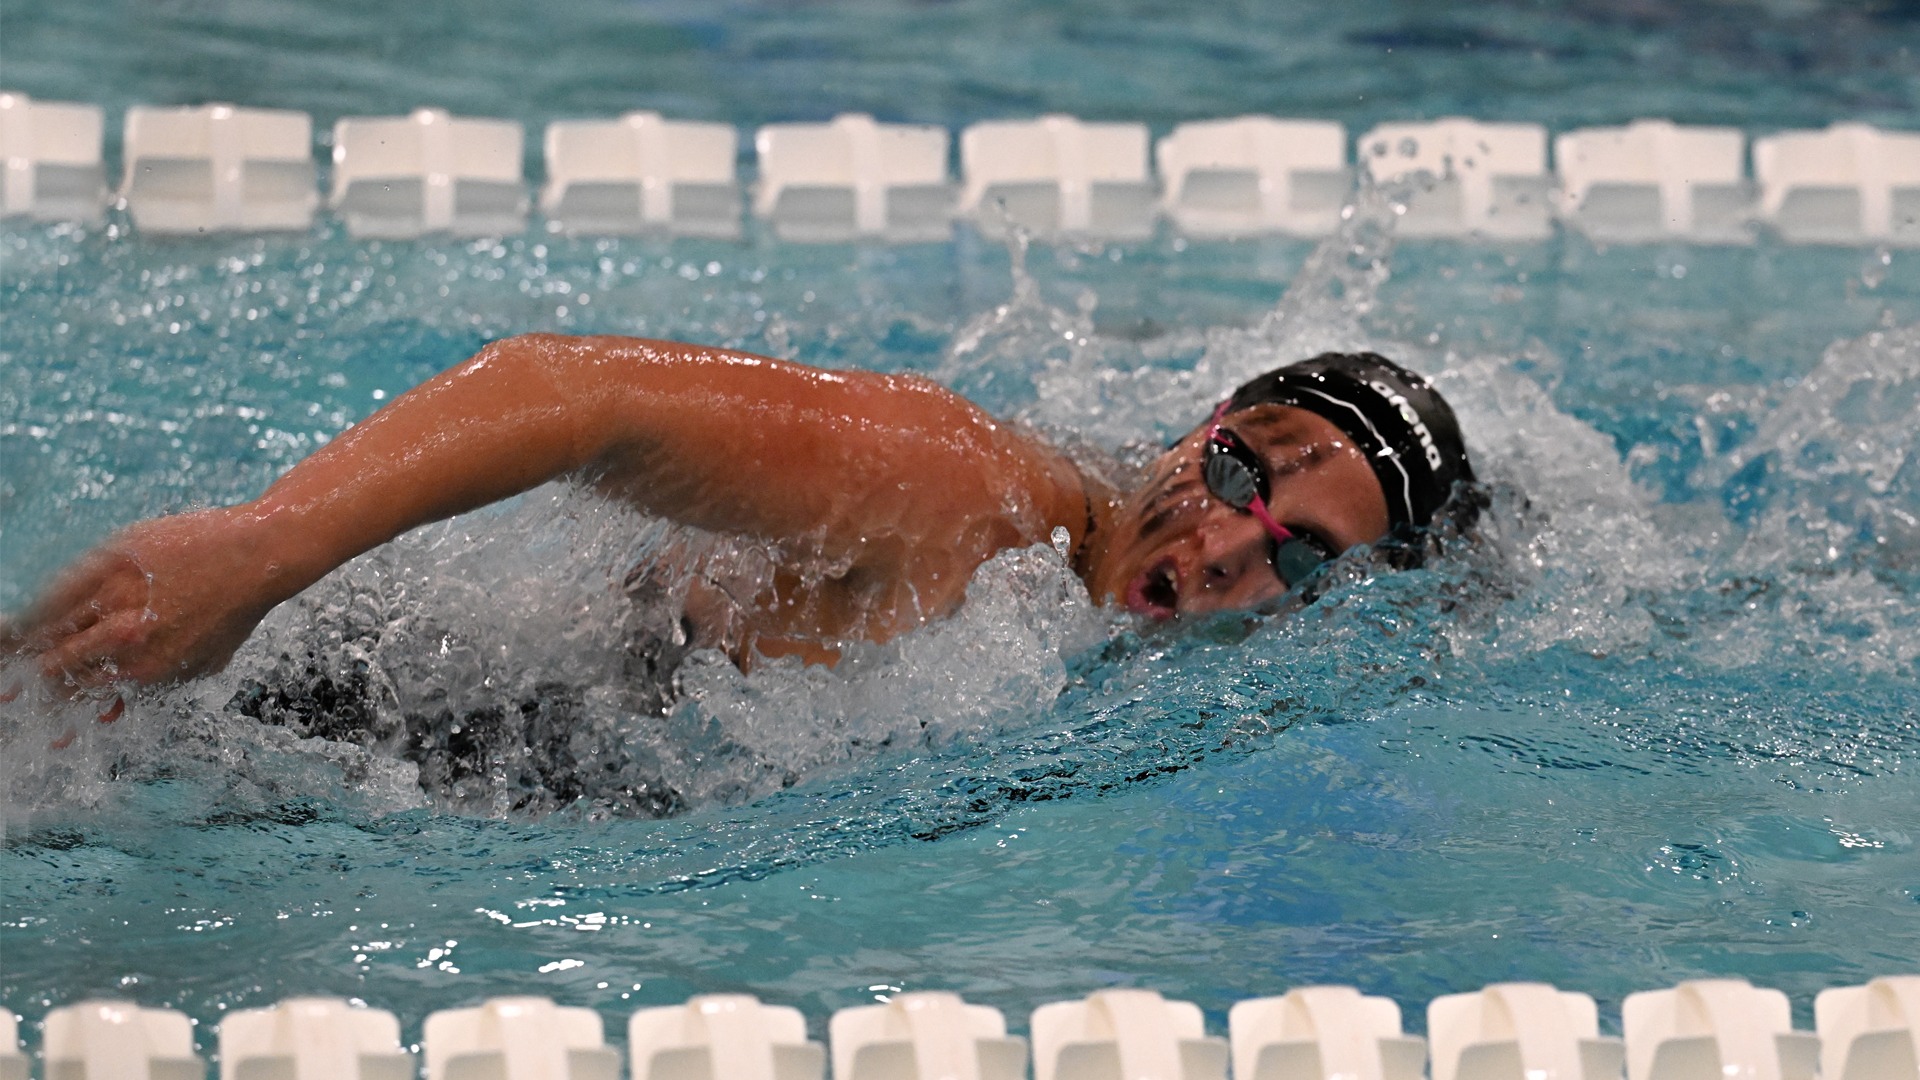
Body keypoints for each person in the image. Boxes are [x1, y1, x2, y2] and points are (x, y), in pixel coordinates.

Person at [2, 334, 1476, 705]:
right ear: (1193, 429)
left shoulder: (1086, 644)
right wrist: (260, 551)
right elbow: (570, 389)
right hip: (356, 712)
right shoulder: (966, 494)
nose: (1226, 546)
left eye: (1298, 557)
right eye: (1239, 475)